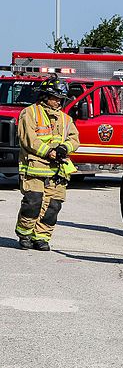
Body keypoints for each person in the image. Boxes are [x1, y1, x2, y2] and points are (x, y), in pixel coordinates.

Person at [14, 76, 80, 251]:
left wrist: (65, 148)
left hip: (58, 170)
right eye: (55, 97)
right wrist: (49, 152)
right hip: (35, 167)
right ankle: (25, 234)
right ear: (45, 96)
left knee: (53, 206)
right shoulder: (30, 113)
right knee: (33, 202)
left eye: (61, 99)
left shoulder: (65, 119)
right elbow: (29, 139)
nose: (58, 102)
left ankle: (41, 238)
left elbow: (75, 139)